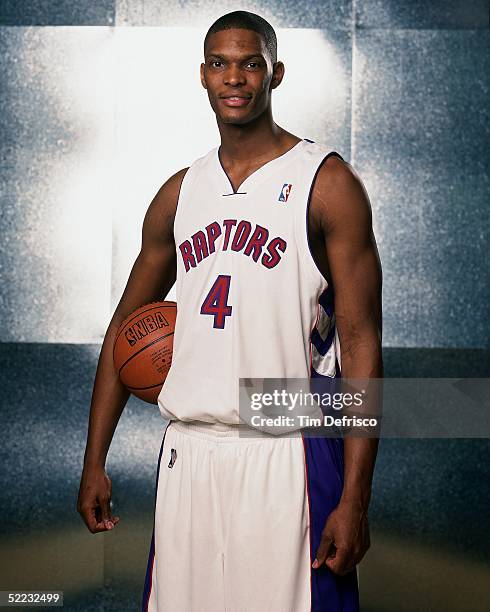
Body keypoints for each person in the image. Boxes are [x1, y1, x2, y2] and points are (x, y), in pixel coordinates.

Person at [77, 10, 382, 612]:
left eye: (250, 64)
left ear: (276, 74)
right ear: (202, 74)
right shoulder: (179, 192)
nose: (235, 78)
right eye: (220, 63)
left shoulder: (327, 182)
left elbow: (362, 346)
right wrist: (94, 462)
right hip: (189, 451)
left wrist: (356, 498)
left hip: (287, 447)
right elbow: (123, 330)